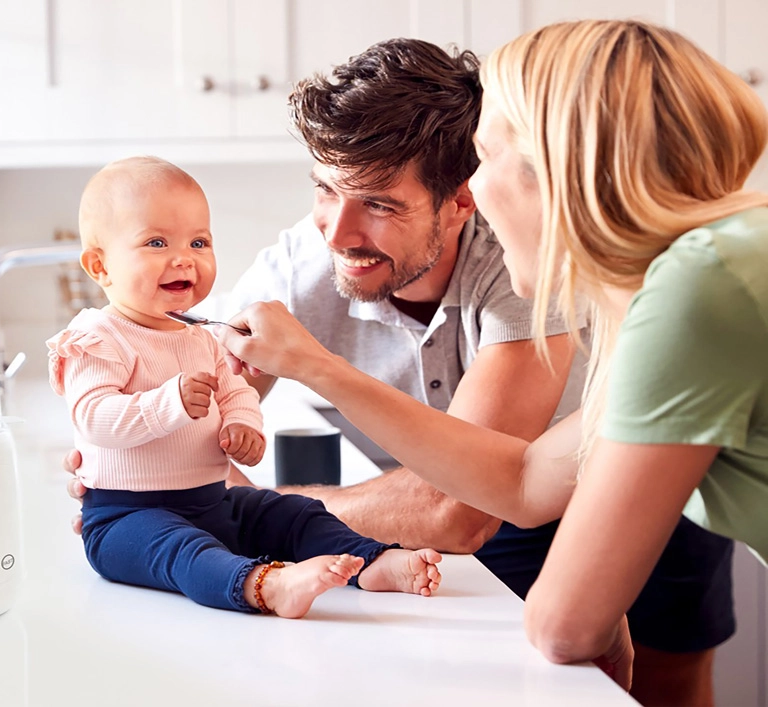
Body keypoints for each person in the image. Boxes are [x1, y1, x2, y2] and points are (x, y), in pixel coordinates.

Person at [63, 39, 737, 703]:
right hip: (530, 486)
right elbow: (521, 482)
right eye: (326, 189)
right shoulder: (308, 259)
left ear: (464, 199)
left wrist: (255, 510)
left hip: (643, 486)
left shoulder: (544, 259)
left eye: (380, 203)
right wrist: (154, 480)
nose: (336, 232)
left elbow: (458, 512)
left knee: (666, 688)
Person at [48, 155, 441, 618]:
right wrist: (169, 402)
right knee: (183, 551)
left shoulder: (201, 334)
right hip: (127, 518)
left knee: (293, 511)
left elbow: (236, 392)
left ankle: (371, 562)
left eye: (199, 242)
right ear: (100, 266)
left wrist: (242, 424)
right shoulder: (95, 338)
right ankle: (265, 585)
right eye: (156, 242)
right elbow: (93, 417)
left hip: (213, 502)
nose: (184, 258)